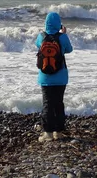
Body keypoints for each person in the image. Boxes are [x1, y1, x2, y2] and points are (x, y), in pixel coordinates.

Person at [35, 12, 73, 142]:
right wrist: (64, 33)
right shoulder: (63, 37)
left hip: (45, 78)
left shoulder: (41, 36)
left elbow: (37, 46)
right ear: (58, 23)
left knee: (47, 104)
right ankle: (58, 131)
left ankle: (48, 133)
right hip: (61, 76)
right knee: (58, 103)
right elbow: (69, 50)